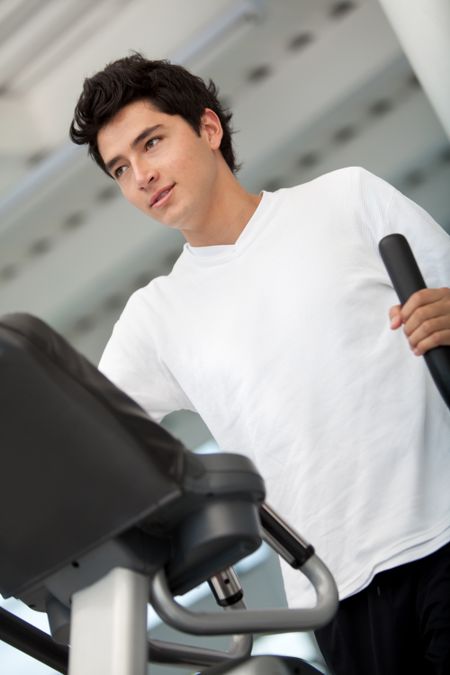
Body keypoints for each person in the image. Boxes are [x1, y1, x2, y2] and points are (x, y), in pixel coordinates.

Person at [70, 53, 450, 674]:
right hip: (337, 597)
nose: (140, 175)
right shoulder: (155, 318)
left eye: (152, 142)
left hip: (442, 532)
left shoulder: (346, 199)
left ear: (209, 129)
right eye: (120, 167)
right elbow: (82, 442)